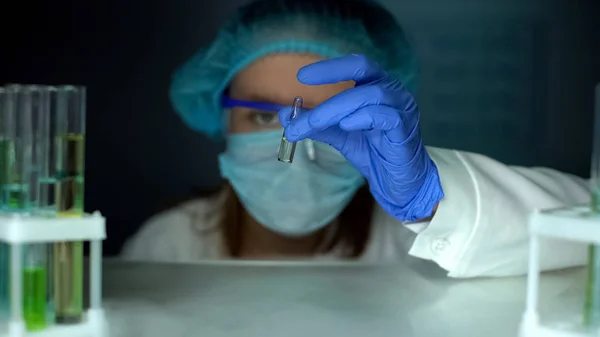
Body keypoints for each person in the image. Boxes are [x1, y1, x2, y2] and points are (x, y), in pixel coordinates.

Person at [121, 0, 590, 277]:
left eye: (333, 120)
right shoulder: (166, 247)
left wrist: (433, 202)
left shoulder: (418, 248)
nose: (295, 150)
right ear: (219, 118)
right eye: (263, 117)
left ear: (371, 122)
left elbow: (586, 236)